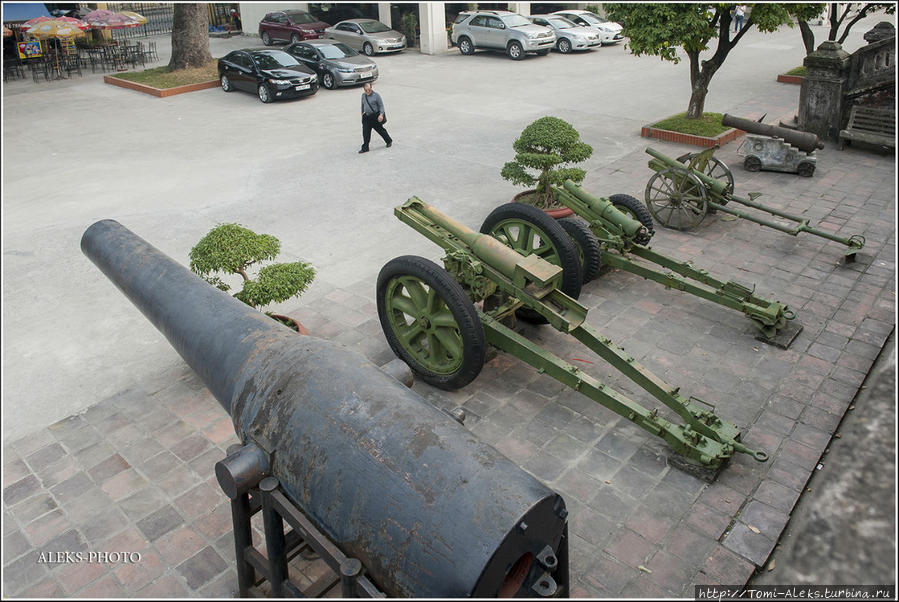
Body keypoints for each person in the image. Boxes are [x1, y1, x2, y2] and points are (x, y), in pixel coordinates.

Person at [359, 82, 392, 153]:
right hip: (366, 117)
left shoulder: (376, 96)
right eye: (366, 90)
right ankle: (365, 147)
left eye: (369, 90)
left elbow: (381, 106)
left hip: (375, 116)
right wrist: (362, 112)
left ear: (371, 88)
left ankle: (388, 141)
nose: (367, 92)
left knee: (380, 130)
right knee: (365, 132)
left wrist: (381, 115)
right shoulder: (363, 96)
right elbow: (362, 104)